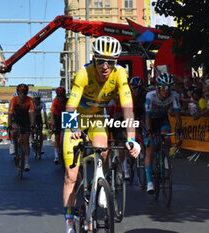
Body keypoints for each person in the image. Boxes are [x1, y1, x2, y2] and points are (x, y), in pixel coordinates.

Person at [62, 36, 141, 233]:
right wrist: (73, 130)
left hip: (97, 119)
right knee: (71, 176)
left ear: (116, 63)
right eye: (101, 61)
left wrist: (132, 139)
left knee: (104, 153)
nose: (105, 66)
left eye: (111, 62)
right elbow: (70, 105)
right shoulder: (83, 74)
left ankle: (99, 183)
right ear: (94, 59)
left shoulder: (120, 74)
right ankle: (69, 221)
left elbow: (128, 107)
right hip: (78, 121)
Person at [145, 72, 183, 193]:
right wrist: (149, 132)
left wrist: (179, 130)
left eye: (168, 88)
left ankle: (165, 156)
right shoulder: (150, 96)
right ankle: (149, 181)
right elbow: (147, 116)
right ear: (158, 87)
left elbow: (177, 116)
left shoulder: (174, 95)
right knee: (150, 149)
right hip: (149, 120)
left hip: (162, 119)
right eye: (162, 87)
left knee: (166, 137)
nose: (165, 91)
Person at [8, 84, 35, 171]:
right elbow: (10, 113)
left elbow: (31, 114)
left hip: (25, 118)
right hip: (16, 118)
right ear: (18, 93)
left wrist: (32, 124)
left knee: (26, 141)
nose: (22, 95)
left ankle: (26, 163)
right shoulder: (13, 100)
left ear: (26, 93)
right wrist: (9, 125)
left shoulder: (30, 100)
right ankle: (12, 144)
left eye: (24, 93)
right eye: (20, 93)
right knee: (14, 130)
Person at [51, 87, 67, 164]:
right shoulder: (55, 101)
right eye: (59, 96)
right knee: (57, 137)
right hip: (57, 118)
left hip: (66, 117)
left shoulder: (68, 101)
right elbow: (52, 113)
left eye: (62, 96)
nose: (60, 98)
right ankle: (56, 155)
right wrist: (53, 122)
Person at [32, 91, 48, 157]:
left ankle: (41, 148)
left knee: (40, 132)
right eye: (36, 99)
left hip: (39, 116)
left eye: (38, 99)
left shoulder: (43, 103)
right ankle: (33, 140)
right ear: (34, 99)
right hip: (32, 116)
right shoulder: (32, 104)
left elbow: (44, 113)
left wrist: (46, 122)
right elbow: (31, 114)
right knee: (32, 129)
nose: (37, 100)